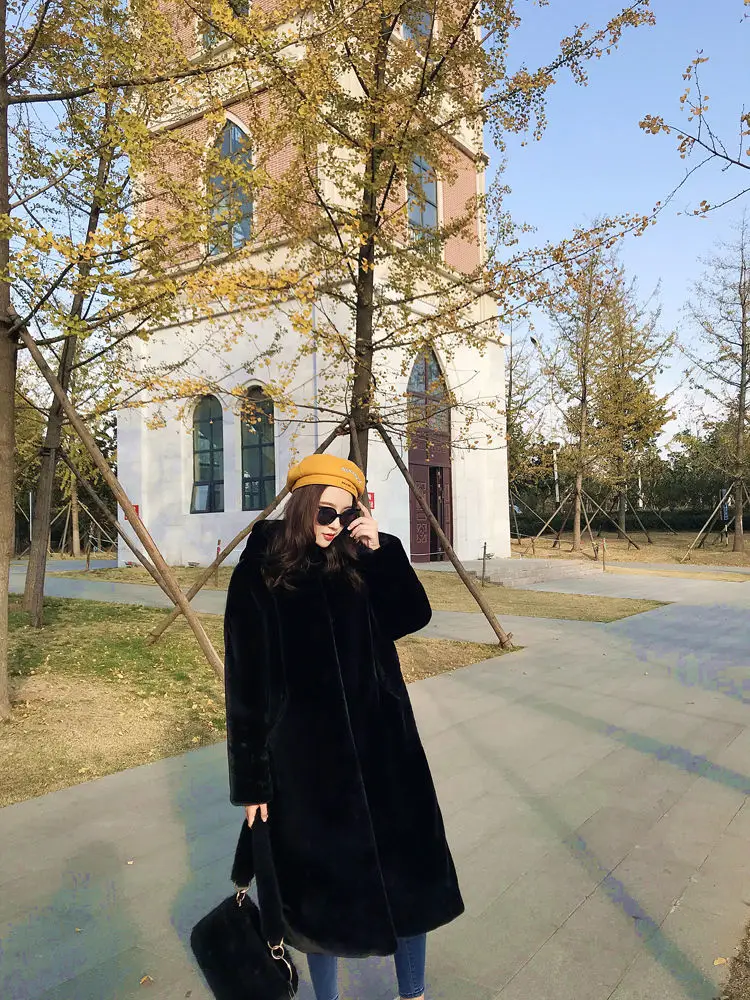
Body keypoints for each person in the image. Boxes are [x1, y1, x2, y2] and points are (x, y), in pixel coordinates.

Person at [224, 453, 464, 1000]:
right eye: (325, 511)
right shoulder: (263, 569)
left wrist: (381, 554)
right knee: (320, 902)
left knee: (408, 885)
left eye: (345, 512)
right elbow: (245, 681)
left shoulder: (359, 559)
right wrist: (253, 782)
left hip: (387, 753)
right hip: (308, 765)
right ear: (301, 505)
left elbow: (411, 616)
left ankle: (413, 993)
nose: (333, 524)